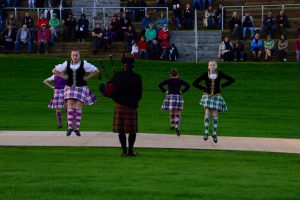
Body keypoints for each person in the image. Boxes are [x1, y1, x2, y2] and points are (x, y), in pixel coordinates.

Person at [53, 49, 99, 136]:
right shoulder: (66, 64)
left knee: (78, 106)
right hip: (70, 86)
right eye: (73, 55)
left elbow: (96, 71)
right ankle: (70, 127)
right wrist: (63, 76)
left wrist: (86, 78)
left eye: (76, 55)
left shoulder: (84, 64)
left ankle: (77, 128)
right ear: (71, 56)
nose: (75, 57)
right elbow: (54, 71)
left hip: (81, 87)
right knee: (70, 105)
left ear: (79, 56)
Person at [192, 60, 235, 143]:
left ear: (216, 66)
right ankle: (206, 132)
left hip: (216, 96)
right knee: (207, 112)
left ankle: (214, 134)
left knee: (215, 113)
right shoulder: (206, 74)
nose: (212, 66)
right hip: (207, 96)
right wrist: (203, 88)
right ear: (208, 66)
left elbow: (231, 79)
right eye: (210, 65)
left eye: (214, 65)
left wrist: (223, 85)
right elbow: (195, 83)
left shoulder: (220, 74)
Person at [109, 56, 142, 157]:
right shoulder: (137, 77)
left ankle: (124, 151)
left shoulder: (117, 76)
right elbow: (139, 94)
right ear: (133, 66)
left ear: (123, 65)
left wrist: (117, 99)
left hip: (119, 106)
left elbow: (110, 91)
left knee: (121, 130)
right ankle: (130, 151)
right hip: (131, 106)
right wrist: (134, 101)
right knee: (132, 131)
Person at [159, 68, 190, 136]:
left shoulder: (168, 80)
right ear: (178, 74)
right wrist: (182, 91)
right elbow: (188, 86)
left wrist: (165, 91)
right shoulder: (179, 80)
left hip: (170, 97)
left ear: (170, 75)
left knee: (172, 111)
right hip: (178, 97)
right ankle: (177, 126)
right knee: (178, 112)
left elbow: (160, 85)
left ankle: (172, 124)